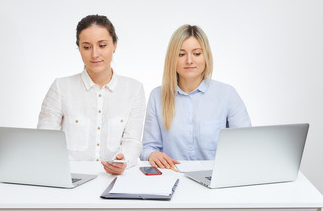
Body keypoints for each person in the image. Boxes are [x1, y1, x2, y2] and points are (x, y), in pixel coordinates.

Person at [38, 15, 146, 175]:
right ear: (79, 48)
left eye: (102, 45)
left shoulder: (133, 89)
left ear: (114, 45)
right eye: (87, 47)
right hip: (69, 179)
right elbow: (45, 141)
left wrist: (123, 161)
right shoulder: (61, 87)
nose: (95, 54)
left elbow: (132, 141)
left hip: (114, 180)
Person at [140, 24, 251, 169]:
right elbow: (148, 148)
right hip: (172, 177)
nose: (189, 60)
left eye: (197, 53)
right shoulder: (157, 96)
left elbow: (246, 145)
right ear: (172, 58)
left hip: (215, 178)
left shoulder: (227, 94)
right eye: (181, 54)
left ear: (206, 56)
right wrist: (152, 154)